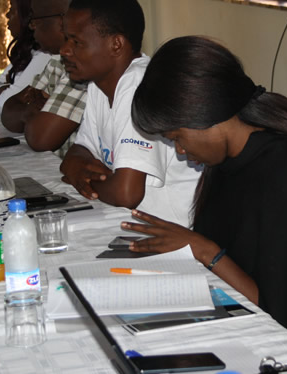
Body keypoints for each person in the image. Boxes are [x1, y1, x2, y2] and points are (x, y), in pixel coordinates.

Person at [123, 36, 287, 341]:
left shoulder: (285, 177)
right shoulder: (226, 162)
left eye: (177, 137)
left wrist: (202, 249)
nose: (180, 151)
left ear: (205, 116)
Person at [58, 0, 200, 228]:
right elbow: (78, 152)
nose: (64, 50)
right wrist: (78, 170)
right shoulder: (99, 84)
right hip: (135, 224)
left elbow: (126, 194)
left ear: (116, 45)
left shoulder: (139, 85)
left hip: (177, 235)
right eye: (66, 39)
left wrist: (82, 179)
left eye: (76, 41)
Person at [1, 0, 87, 152]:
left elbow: (40, 139)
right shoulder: (57, 60)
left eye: (35, 19)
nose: (31, 25)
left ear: (62, 22)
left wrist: (31, 113)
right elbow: (8, 113)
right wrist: (28, 113)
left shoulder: (82, 67)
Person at [0, 0, 51, 112]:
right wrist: (5, 90)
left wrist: (6, 89)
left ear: (27, 16)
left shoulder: (44, 56)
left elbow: (4, 104)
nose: (7, 15)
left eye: (12, 10)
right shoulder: (26, 53)